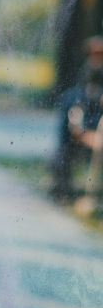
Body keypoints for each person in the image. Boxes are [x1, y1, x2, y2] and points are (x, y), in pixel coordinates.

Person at [51, 37, 103, 201]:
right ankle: (64, 190)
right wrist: (91, 138)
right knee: (64, 153)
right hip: (79, 137)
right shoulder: (78, 92)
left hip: (94, 129)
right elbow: (75, 126)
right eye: (96, 54)